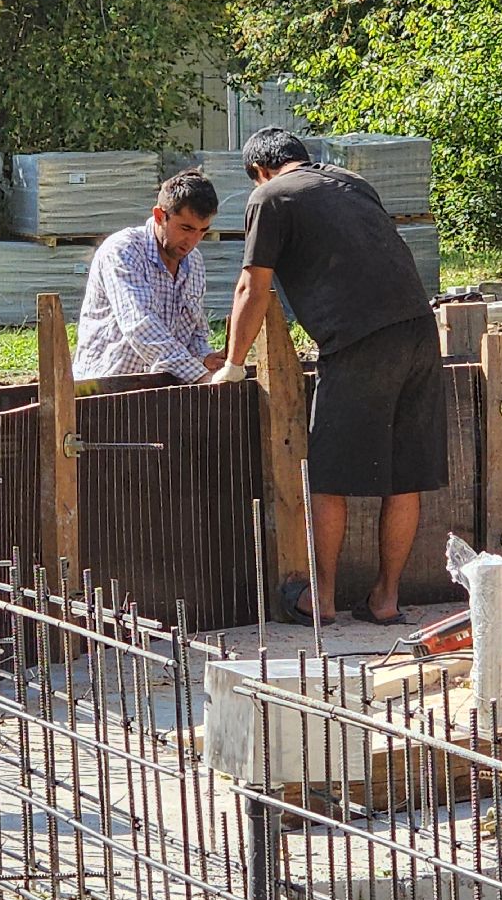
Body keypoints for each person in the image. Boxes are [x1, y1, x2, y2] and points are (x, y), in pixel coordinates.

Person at [211, 127, 447, 627]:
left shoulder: (269, 197)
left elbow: (251, 288)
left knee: (326, 477)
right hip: (421, 332)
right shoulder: (352, 182)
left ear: (260, 170)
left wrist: (233, 364)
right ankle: (385, 599)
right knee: (404, 476)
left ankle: (321, 597)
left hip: (359, 341)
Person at [73, 169, 226, 383]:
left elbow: (195, 332)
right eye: (186, 228)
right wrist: (200, 375)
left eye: (202, 231)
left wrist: (204, 357)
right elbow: (140, 325)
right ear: (159, 216)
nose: (193, 240)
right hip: (105, 388)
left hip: (161, 389)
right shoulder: (123, 251)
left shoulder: (195, 262)